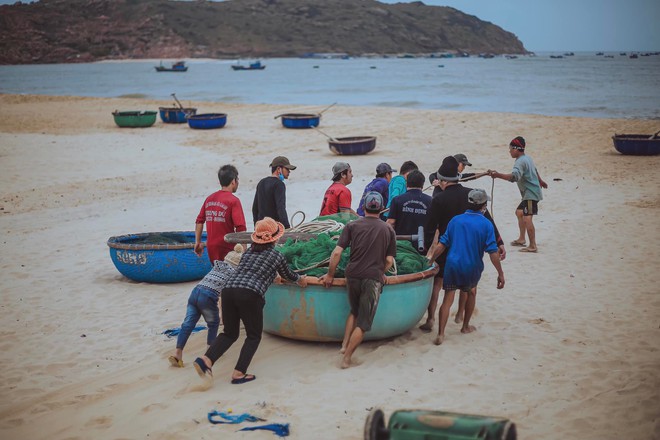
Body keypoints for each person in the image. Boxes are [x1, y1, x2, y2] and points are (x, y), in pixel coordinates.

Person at [193, 218, 307, 384]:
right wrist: (300, 280)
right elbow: (288, 275)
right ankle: (239, 373)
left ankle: (206, 360)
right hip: (250, 294)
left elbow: (253, 270)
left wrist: (271, 277)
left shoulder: (247, 253)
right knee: (253, 336)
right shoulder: (276, 255)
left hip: (228, 291)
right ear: (274, 238)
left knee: (229, 333)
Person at [422, 156, 506, 332]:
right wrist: (500, 242)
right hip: (470, 250)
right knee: (469, 288)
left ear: (443, 181)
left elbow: (430, 229)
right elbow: (488, 220)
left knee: (438, 286)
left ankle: (430, 319)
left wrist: (427, 252)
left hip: (445, 249)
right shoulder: (471, 194)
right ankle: (461, 316)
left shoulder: (438, 199)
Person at [320, 192, 396, 369]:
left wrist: (330, 275)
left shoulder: (352, 225)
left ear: (364, 207)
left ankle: (344, 345)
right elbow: (389, 261)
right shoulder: (388, 230)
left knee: (354, 311)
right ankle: (347, 358)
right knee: (363, 322)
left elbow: (337, 252)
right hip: (372, 278)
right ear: (381, 208)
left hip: (352, 274)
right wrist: (381, 271)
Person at [169, 245, 244, 368]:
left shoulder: (217, 267)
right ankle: (210, 352)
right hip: (207, 297)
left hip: (195, 292)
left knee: (188, 324)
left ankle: (178, 353)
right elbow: (225, 296)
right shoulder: (233, 273)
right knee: (213, 323)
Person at [488, 136, 548, 253]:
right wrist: (540, 181)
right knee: (519, 212)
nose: (509, 151)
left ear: (516, 149)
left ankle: (533, 245)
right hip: (529, 193)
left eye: (511, 148)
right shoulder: (527, 158)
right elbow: (535, 170)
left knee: (527, 218)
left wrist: (498, 175)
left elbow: (514, 177)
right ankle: (521, 239)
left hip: (531, 194)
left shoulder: (519, 162)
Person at [195, 164, 247, 263]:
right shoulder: (233, 201)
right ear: (233, 181)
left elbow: (199, 221)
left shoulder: (209, 199)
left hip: (211, 248)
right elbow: (240, 227)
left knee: (217, 274)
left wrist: (197, 242)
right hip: (227, 249)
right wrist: (244, 250)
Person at [386, 169, 432, 252]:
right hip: (422, 247)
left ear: (407, 183)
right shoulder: (430, 201)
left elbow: (390, 223)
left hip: (400, 247)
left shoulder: (397, 200)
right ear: (422, 184)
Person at [252, 156, 297, 229]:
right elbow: (280, 208)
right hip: (274, 227)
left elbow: (255, 208)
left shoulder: (261, 182)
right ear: (279, 169)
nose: (289, 171)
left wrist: (256, 226)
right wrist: (287, 227)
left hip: (261, 227)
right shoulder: (279, 184)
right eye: (287, 169)